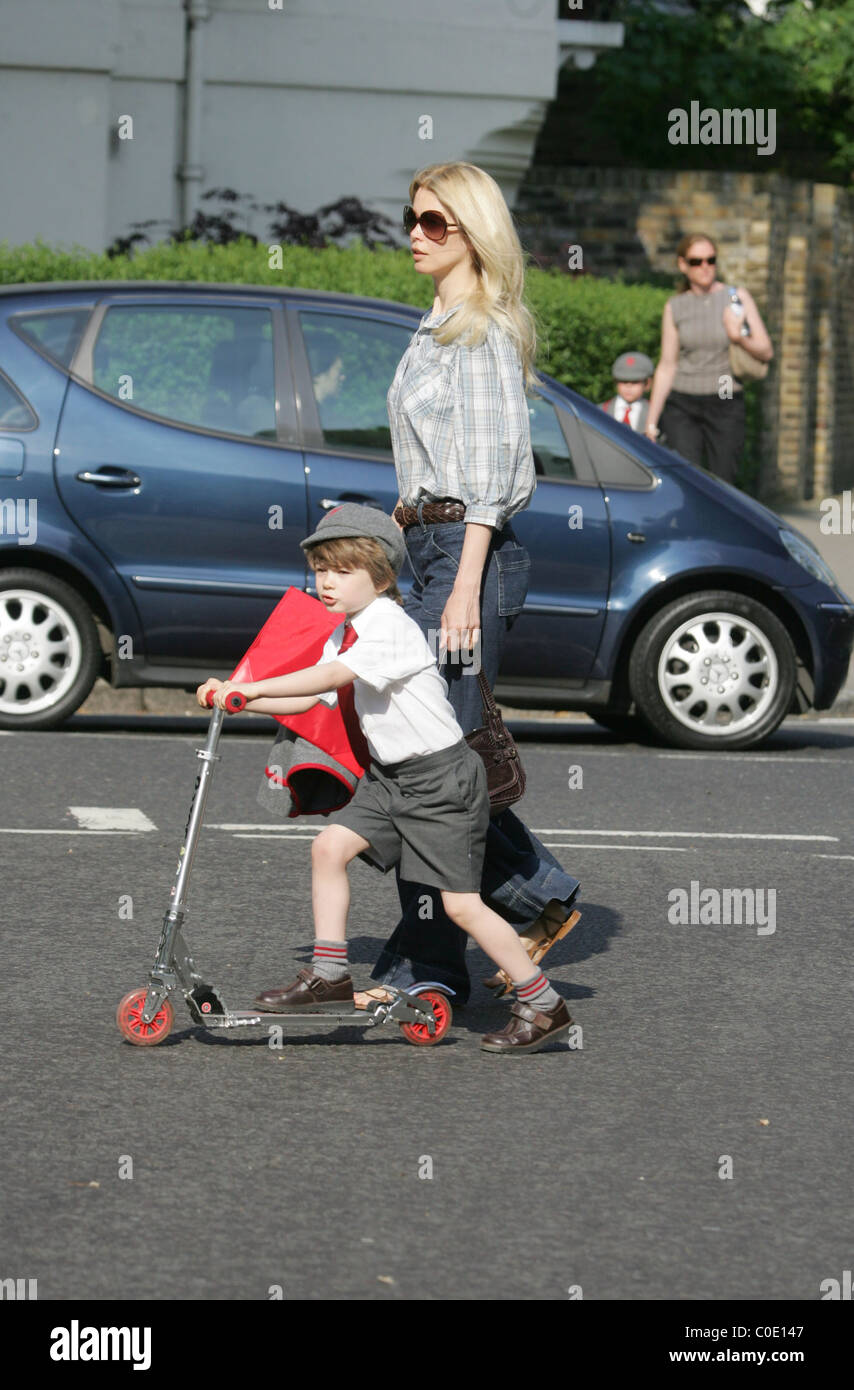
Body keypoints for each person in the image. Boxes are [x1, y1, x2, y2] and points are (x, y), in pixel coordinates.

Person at [196, 504, 574, 1055]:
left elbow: (332, 676)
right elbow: (313, 696)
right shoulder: (347, 632)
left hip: (441, 781)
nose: (327, 581)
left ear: (379, 576)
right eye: (321, 568)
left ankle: (544, 1004)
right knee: (328, 848)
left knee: (461, 907)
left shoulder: (390, 627)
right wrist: (238, 697)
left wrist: (252, 688)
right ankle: (329, 975)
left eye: (343, 570)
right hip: (389, 779)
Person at [360, 161, 581, 1010]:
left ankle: (432, 963)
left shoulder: (481, 330)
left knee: (436, 765)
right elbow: (426, 460)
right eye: (411, 218)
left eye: (435, 223)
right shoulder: (435, 323)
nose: (416, 234)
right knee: (422, 752)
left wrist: (461, 586)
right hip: (430, 549)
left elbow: (494, 472)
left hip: (466, 553)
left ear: (475, 232)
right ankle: (532, 898)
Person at [644, 232, 773, 485]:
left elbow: (766, 350)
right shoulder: (675, 306)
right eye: (696, 261)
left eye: (710, 260)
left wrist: (739, 337)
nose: (705, 267)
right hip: (682, 403)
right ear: (683, 265)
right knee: (684, 479)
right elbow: (667, 365)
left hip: (725, 401)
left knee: (723, 481)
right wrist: (651, 421)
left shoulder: (736, 297)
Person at [600, 351, 654, 431]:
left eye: (635, 382)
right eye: (623, 381)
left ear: (647, 383)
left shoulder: (655, 414)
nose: (628, 386)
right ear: (615, 382)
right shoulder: (600, 410)